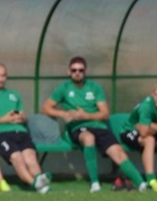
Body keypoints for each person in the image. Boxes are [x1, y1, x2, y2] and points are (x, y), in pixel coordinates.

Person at [41, 56, 147, 192]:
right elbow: (45, 108)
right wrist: (63, 114)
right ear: (68, 71)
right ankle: (95, 183)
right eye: (74, 70)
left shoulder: (94, 87)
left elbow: (105, 113)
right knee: (88, 137)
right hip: (78, 128)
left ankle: (141, 184)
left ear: (85, 71)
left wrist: (85, 115)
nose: (77, 73)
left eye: (81, 70)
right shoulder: (63, 88)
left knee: (117, 151)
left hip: (99, 126)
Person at [0, 63, 50, 193]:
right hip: (1, 134)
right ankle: (36, 184)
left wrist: (22, 118)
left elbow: (23, 115)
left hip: (20, 131)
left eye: (3, 76)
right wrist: (3, 119)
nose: (1, 79)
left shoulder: (14, 94)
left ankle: (40, 180)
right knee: (17, 157)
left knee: (30, 157)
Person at [117, 85, 157, 191]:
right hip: (128, 131)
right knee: (150, 140)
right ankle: (151, 180)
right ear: (152, 94)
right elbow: (143, 132)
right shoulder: (147, 106)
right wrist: (148, 127)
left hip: (144, 129)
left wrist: (151, 126)